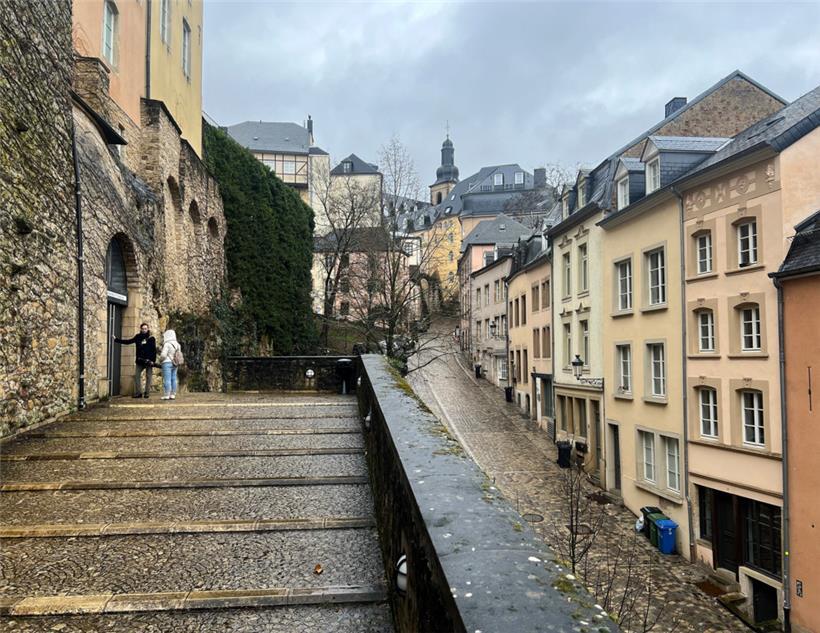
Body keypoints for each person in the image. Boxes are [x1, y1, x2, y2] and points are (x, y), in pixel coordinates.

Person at [113, 322, 156, 398]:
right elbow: (128, 342)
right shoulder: (138, 337)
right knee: (137, 376)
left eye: (145, 329)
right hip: (140, 360)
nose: (144, 330)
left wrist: (153, 360)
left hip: (149, 361)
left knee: (148, 376)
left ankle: (147, 393)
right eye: (143, 329)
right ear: (141, 329)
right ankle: (139, 392)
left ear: (148, 329)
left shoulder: (151, 338)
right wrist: (116, 340)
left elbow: (154, 350)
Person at [159, 329, 181, 400]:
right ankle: (173, 394)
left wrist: (160, 360)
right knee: (174, 378)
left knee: (167, 379)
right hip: (175, 363)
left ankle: (166, 395)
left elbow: (163, 355)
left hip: (167, 363)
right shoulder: (178, 344)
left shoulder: (167, 344)